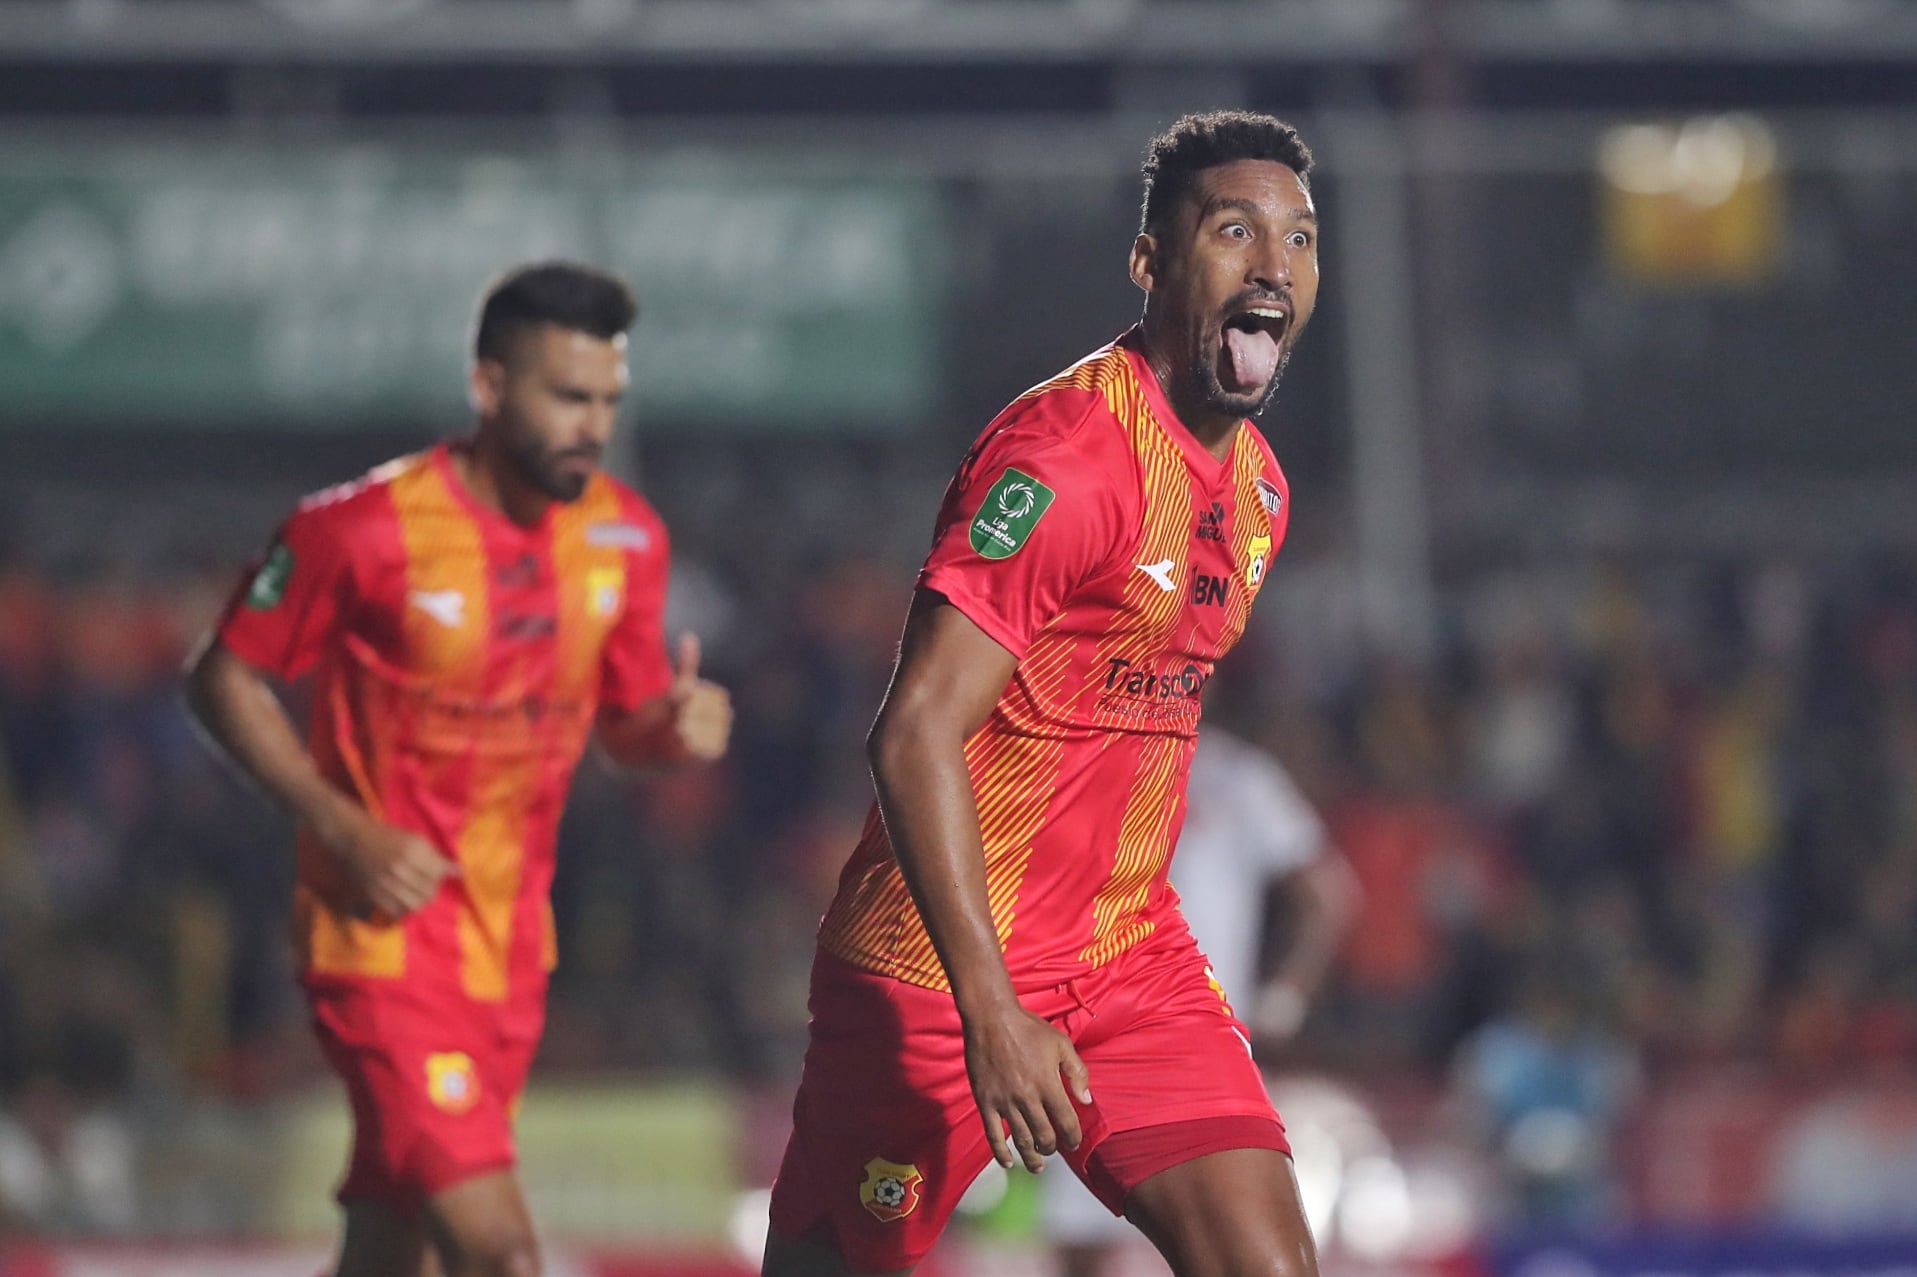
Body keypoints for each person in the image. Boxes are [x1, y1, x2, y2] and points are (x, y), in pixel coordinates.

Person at [763, 110, 1325, 1277]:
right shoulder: (1062, 459)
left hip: (1129, 953)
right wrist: (993, 1008)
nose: (1275, 263)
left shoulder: (1260, 493)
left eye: (1301, 239)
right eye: (1235, 230)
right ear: (1152, 263)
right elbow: (914, 728)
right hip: (939, 966)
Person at [182, 261, 732, 1277]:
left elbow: (626, 730)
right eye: (568, 396)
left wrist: (674, 728)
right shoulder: (360, 528)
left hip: (511, 944)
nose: (592, 424)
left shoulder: (624, 537)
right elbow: (223, 678)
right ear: (489, 386)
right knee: (501, 1252)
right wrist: (340, 821)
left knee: (392, 1242)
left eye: (608, 400)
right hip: (380, 939)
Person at [1041, 724, 1360, 1277]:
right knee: (1082, 1236)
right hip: (1082, 1021)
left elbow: (1326, 891)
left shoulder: (1237, 776)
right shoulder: (1083, 750)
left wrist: (1287, 995)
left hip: (1197, 1034)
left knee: (1226, 1236)